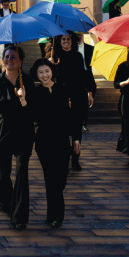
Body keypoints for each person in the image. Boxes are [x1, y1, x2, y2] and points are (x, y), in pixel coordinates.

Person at [0, 46, 35, 228]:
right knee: (4, 171)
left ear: (20, 61)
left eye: (14, 57)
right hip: (3, 128)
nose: (10, 60)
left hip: (23, 130)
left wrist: (24, 99)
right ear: (2, 59)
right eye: (7, 57)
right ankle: (5, 198)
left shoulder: (27, 80)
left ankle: (20, 216)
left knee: (21, 172)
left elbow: (33, 108)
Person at [29, 58, 83, 228]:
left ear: (52, 71)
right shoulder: (35, 93)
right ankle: (55, 215)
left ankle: (53, 213)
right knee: (50, 178)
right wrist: (23, 101)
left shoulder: (64, 89)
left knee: (61, 176)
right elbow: (33, 116)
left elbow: (74, 115)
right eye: (41, 72)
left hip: (62, 139)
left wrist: (76, 137)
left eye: (47, 71)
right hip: (44, 140)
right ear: (36, 74)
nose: (44, 75)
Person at [50, 34, 95, 170]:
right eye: (63, 39)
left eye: (68, 39)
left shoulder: (77, 56)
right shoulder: (54, 56)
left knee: (76, 129)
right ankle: (64, 156)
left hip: (77, 95)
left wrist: (89, 91)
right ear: (59, 41)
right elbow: (49, 77)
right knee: (62, 129)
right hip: (61, 95)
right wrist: (50, 64)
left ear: (72, 41)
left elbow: (83, 75)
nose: (66, 41)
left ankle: (75, 159)